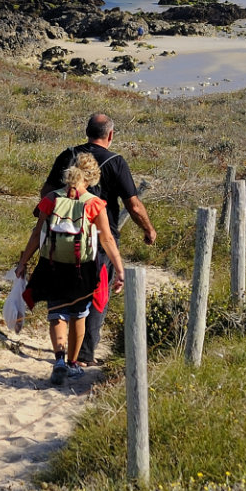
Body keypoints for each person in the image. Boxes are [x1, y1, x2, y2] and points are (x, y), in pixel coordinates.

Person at [41, 113, 155, 367]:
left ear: (86, 131)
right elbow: (133, 206)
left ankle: (62, 354)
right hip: (99, 240)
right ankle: (82, 356)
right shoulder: (115, 161)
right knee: (95, 296)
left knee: (62, 297)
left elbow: (46, 192)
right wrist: (149, 230)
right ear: (110, 135)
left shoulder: (67, 155)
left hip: (63, 236)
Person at [16, 151, 126, 385]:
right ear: (91, 177)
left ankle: (58, 360)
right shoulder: (95, 204)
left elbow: (37, 235)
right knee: (79, 316)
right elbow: (107, 240)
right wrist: (120, 270)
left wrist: (23, 262)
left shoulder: (51, 199)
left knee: (57, 314)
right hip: (82, 268)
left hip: (52, 264)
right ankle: (73, 364)